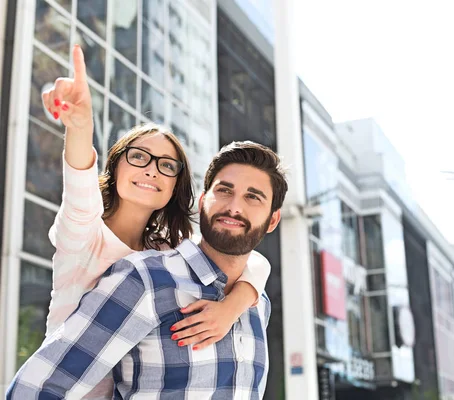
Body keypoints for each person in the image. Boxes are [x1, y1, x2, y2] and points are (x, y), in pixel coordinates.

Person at [30, 45, 271, 398]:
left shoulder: (165, 251)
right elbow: (79, 181)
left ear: (175, 186)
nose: (151, 170)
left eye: (167, 165)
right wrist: (81, 125)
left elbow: (250, 258)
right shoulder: (82, 233)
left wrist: (230, 308)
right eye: (139, 156)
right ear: (115, 167)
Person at [7, 140, 288, 399]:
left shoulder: (256, 303)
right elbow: (37, 388)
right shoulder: (145, 280)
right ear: (203, 201)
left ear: (273, 220)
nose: (234, 207)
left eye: (254, 197)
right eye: (224, 191)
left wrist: (238, 300)